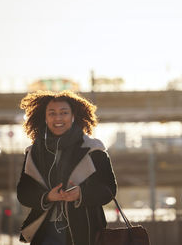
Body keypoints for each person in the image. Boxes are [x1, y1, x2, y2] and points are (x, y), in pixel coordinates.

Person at [17, 90, 117, 245]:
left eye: (64, 113)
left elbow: (109, 190)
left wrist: (81, 194)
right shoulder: (33, 152)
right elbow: (23, 193)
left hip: (85, 231)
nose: (58, 118)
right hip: (44, 232)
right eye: (52, 113)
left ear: (73, 116)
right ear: (45, 118)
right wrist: (48, 196)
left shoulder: (93, 149)